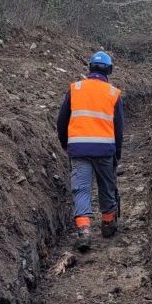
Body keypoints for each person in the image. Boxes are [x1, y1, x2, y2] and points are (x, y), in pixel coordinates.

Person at [56, 50, 124, 251]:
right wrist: (117, 153)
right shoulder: (113, 93)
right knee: (107, 186)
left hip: (79, 149)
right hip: (104, 150)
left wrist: (66, 144)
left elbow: (61, 121)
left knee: (81, 189)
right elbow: (119, 128)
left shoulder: (75, 89)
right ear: (108, 70)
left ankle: (84, 231)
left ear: (90, 68)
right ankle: (108, 223)